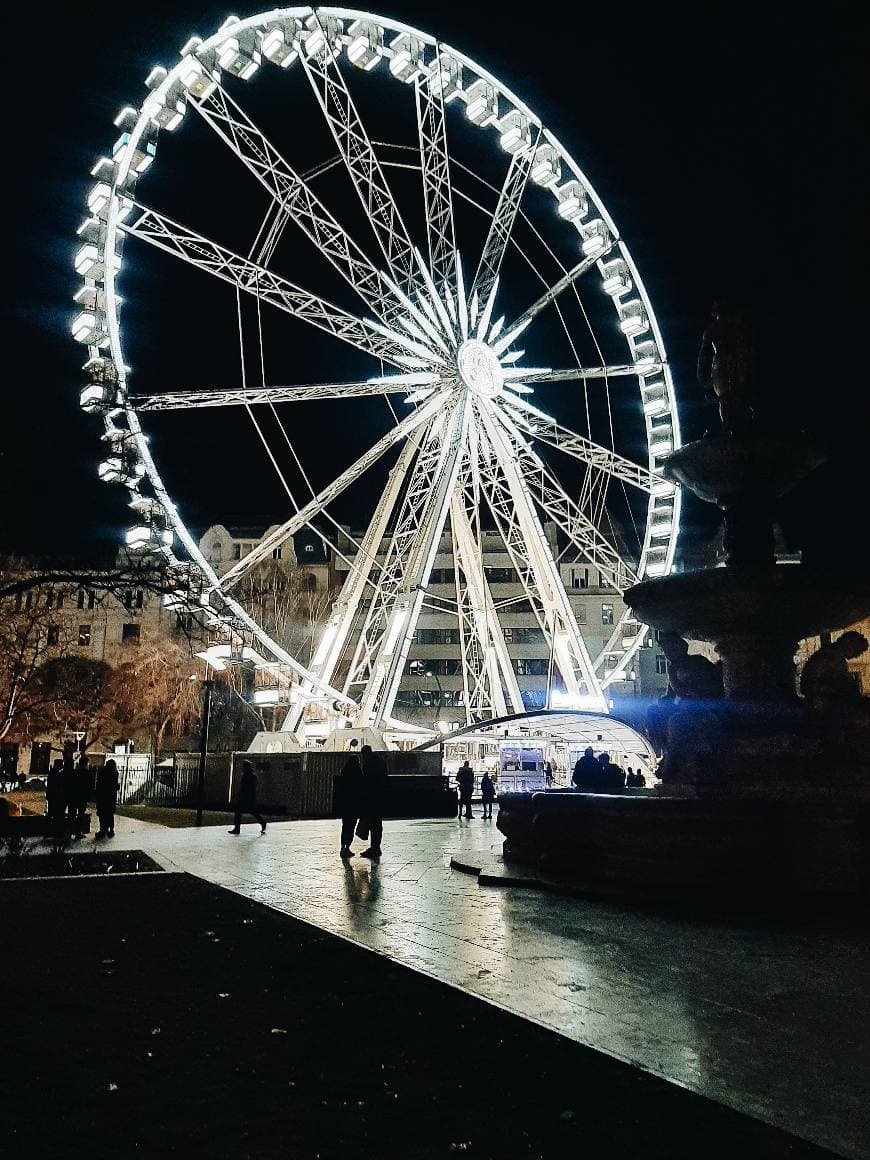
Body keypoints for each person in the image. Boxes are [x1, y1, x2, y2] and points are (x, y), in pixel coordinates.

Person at [359, 745, 388, 859]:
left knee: (373, 824)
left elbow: (366, 782)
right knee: (377, 824)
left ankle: (374, 848)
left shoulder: (368, 764)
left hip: (371, 798)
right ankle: (376, 847)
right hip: (380, 797)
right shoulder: (381, 762)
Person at [336, 747, 363, 858]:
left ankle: (342, 847)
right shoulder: (358, 772)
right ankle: (347, 847)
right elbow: (361, 787)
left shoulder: (344, 772)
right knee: (351, 826)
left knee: (345, 826)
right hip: (354, 804)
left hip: (345, 804)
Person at [228, 759, 267, 835]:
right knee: (250, 812)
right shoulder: (250, 775)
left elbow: (248, 787)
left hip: (247, 798)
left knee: (246, 812)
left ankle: (237, 829)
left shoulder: (250, 776)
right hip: (248, 798)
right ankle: (262, 823)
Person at [94, 759, 119, 839]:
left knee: (102, 815)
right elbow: (115, 786)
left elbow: (99, 785)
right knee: (110, 814)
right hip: (111, 798)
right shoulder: (115, 774)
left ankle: (103, 830)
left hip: (103, 797)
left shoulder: (102, 773)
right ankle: (110, 830)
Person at [73, 754, 92, 837]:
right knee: (80, 814)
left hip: (74, 795)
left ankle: (71, 830)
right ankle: (78, 831)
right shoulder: (87, 773)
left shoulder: (75, 772)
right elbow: (89, 785)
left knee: (72, 814)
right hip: (82, 796)